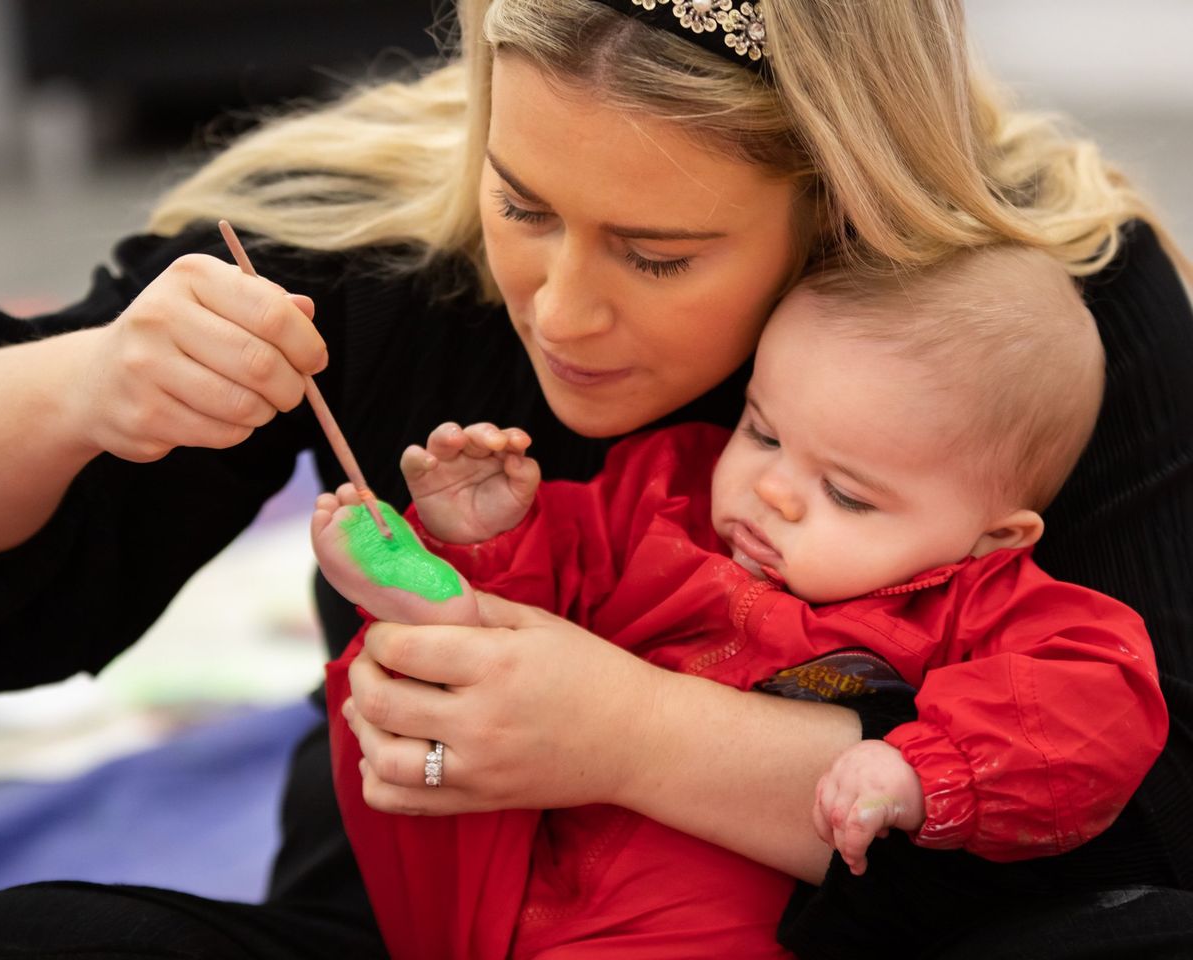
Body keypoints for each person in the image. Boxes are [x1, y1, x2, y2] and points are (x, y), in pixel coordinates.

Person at [0, 0, 1191, 957]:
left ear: (842, 207)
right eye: (519, 203)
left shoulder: (1038, 327)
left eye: (657, 256)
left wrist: (631, 736)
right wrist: (73, 388)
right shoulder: (364, 242)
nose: (559, 311)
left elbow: (1155, 808)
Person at [311, 245, 1167, 958]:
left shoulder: (977, 606)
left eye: (850, 495)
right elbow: (564, 577)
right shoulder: (668, 494)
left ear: (994, 536)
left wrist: (922, 768)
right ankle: (433, 589)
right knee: (419, 692)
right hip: (503, 881)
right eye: (762, 431)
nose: (774, 493)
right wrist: (495, 535)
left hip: (693, 933)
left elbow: (1098, 702)